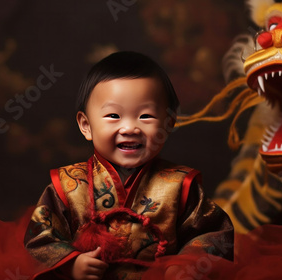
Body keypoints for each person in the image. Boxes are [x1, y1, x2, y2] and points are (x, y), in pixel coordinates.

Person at [24, 51, 234, 280]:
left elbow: (216, 233)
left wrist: (187, 265)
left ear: (169, 123)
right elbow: (39, 239)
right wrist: (71, 264)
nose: (130, 128)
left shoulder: (179, 185)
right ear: (86, 125)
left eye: (145, 116)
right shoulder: (67, 185)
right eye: (114, 115)